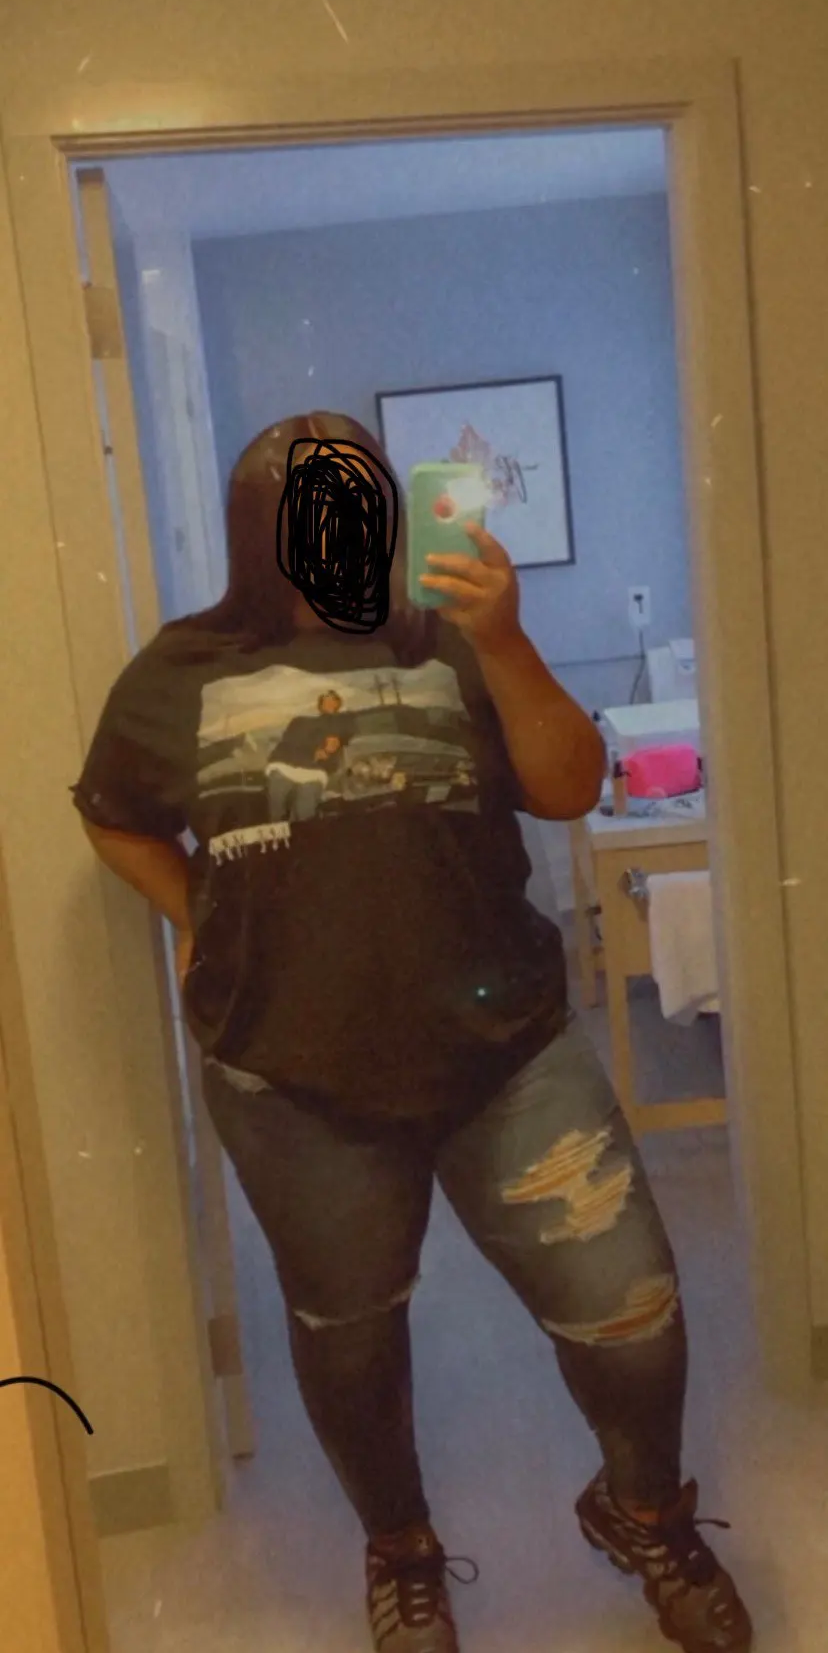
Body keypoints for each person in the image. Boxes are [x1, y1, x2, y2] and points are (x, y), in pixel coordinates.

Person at [71, 411, 752, 1653]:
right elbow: (114, 814)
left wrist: (507, 636)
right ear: (258, 536)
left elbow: (567, 784)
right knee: (352, 1342)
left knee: (633, 1315)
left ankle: (645, 1508)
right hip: (292, 1080)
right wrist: (191, 912)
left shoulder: (453, 635)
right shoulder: (177, 672)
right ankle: (403, 1551)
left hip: (510, 1060)